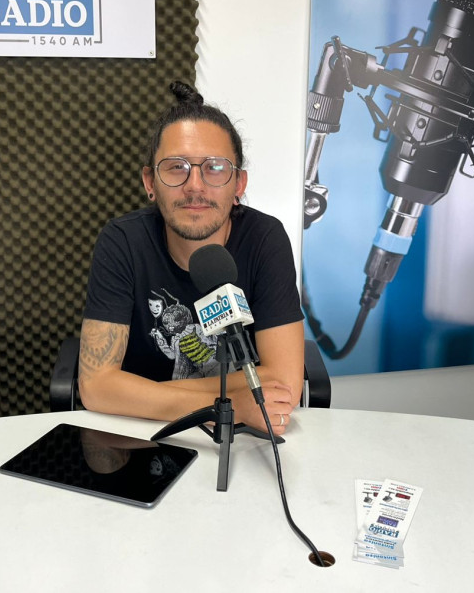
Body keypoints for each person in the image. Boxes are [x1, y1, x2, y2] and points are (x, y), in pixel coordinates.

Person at [78, 81, 304, 436]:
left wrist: (139, 393)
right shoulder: (122, 241)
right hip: (142, 435)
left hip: (243, 436)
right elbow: (96, 387)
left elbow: (285, 383)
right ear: (150, 182)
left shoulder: (265, 239)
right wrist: (226, 406)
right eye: (176, 167)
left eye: (214, 167)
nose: (195, 185)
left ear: (238, 184)